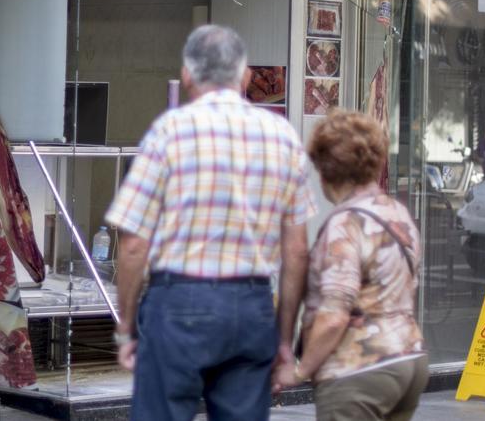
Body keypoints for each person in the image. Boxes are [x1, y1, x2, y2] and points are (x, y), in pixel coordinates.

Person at [106, 25, 314, 421]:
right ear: (247, 76)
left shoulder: (169, 133)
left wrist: (127, 327)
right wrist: (284, 337)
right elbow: (297, 251)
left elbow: (133, 245)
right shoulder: (283, 137)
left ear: (186, 74)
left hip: (178, 305)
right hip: (251, 308)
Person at [274, 110, 427, 420]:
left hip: (358, 369)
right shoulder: (398, 214)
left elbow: (335, 314)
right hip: (408, 360)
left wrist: (300, 371)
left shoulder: (345, 224)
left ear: (326, 170)